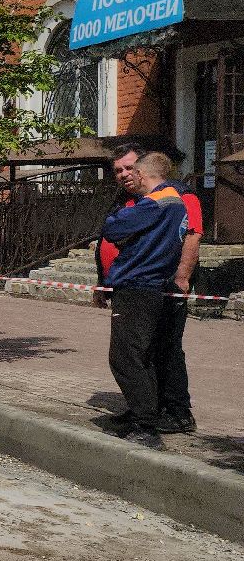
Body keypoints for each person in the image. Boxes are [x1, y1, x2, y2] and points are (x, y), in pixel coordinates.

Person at [100, 147, 194, 447]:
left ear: (142, 173)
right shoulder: (178, 202)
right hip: (153, 287)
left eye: (132, 172)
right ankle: (144, 413)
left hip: (137, 285)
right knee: (145, 354)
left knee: (126, 357)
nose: (129, 178)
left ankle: (145, 424)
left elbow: (112, 229)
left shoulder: (153, 203)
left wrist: (119, 218)